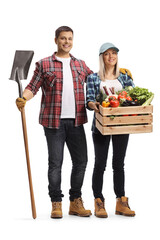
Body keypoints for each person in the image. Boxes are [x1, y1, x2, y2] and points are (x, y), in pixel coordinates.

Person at [16, 27, 131, 219]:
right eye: (63, 38)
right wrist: (24, 99)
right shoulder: (44, 64)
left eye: (69, 38)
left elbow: (97, 78)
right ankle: (56, 203)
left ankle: (75, 201)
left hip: (77, 121)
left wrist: (118, 73)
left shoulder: (80, 65)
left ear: (72, 40)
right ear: (56, 40)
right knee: (55, 164)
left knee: (81, 162)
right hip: (53, 123)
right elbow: (32, 87)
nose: (66, 42)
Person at [86, 42, 135, 218]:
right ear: (102, 57)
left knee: (119, 164)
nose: (111, 56)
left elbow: (134, 98)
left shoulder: (124, 77)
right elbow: (89, 99)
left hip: (122, 125)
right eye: (107, 54)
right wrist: (94, 105)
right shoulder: (93, 78)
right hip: (101, 126)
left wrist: (132, 78)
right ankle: (98, 201)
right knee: (100, 164)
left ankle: (121, 201)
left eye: (113, 53)